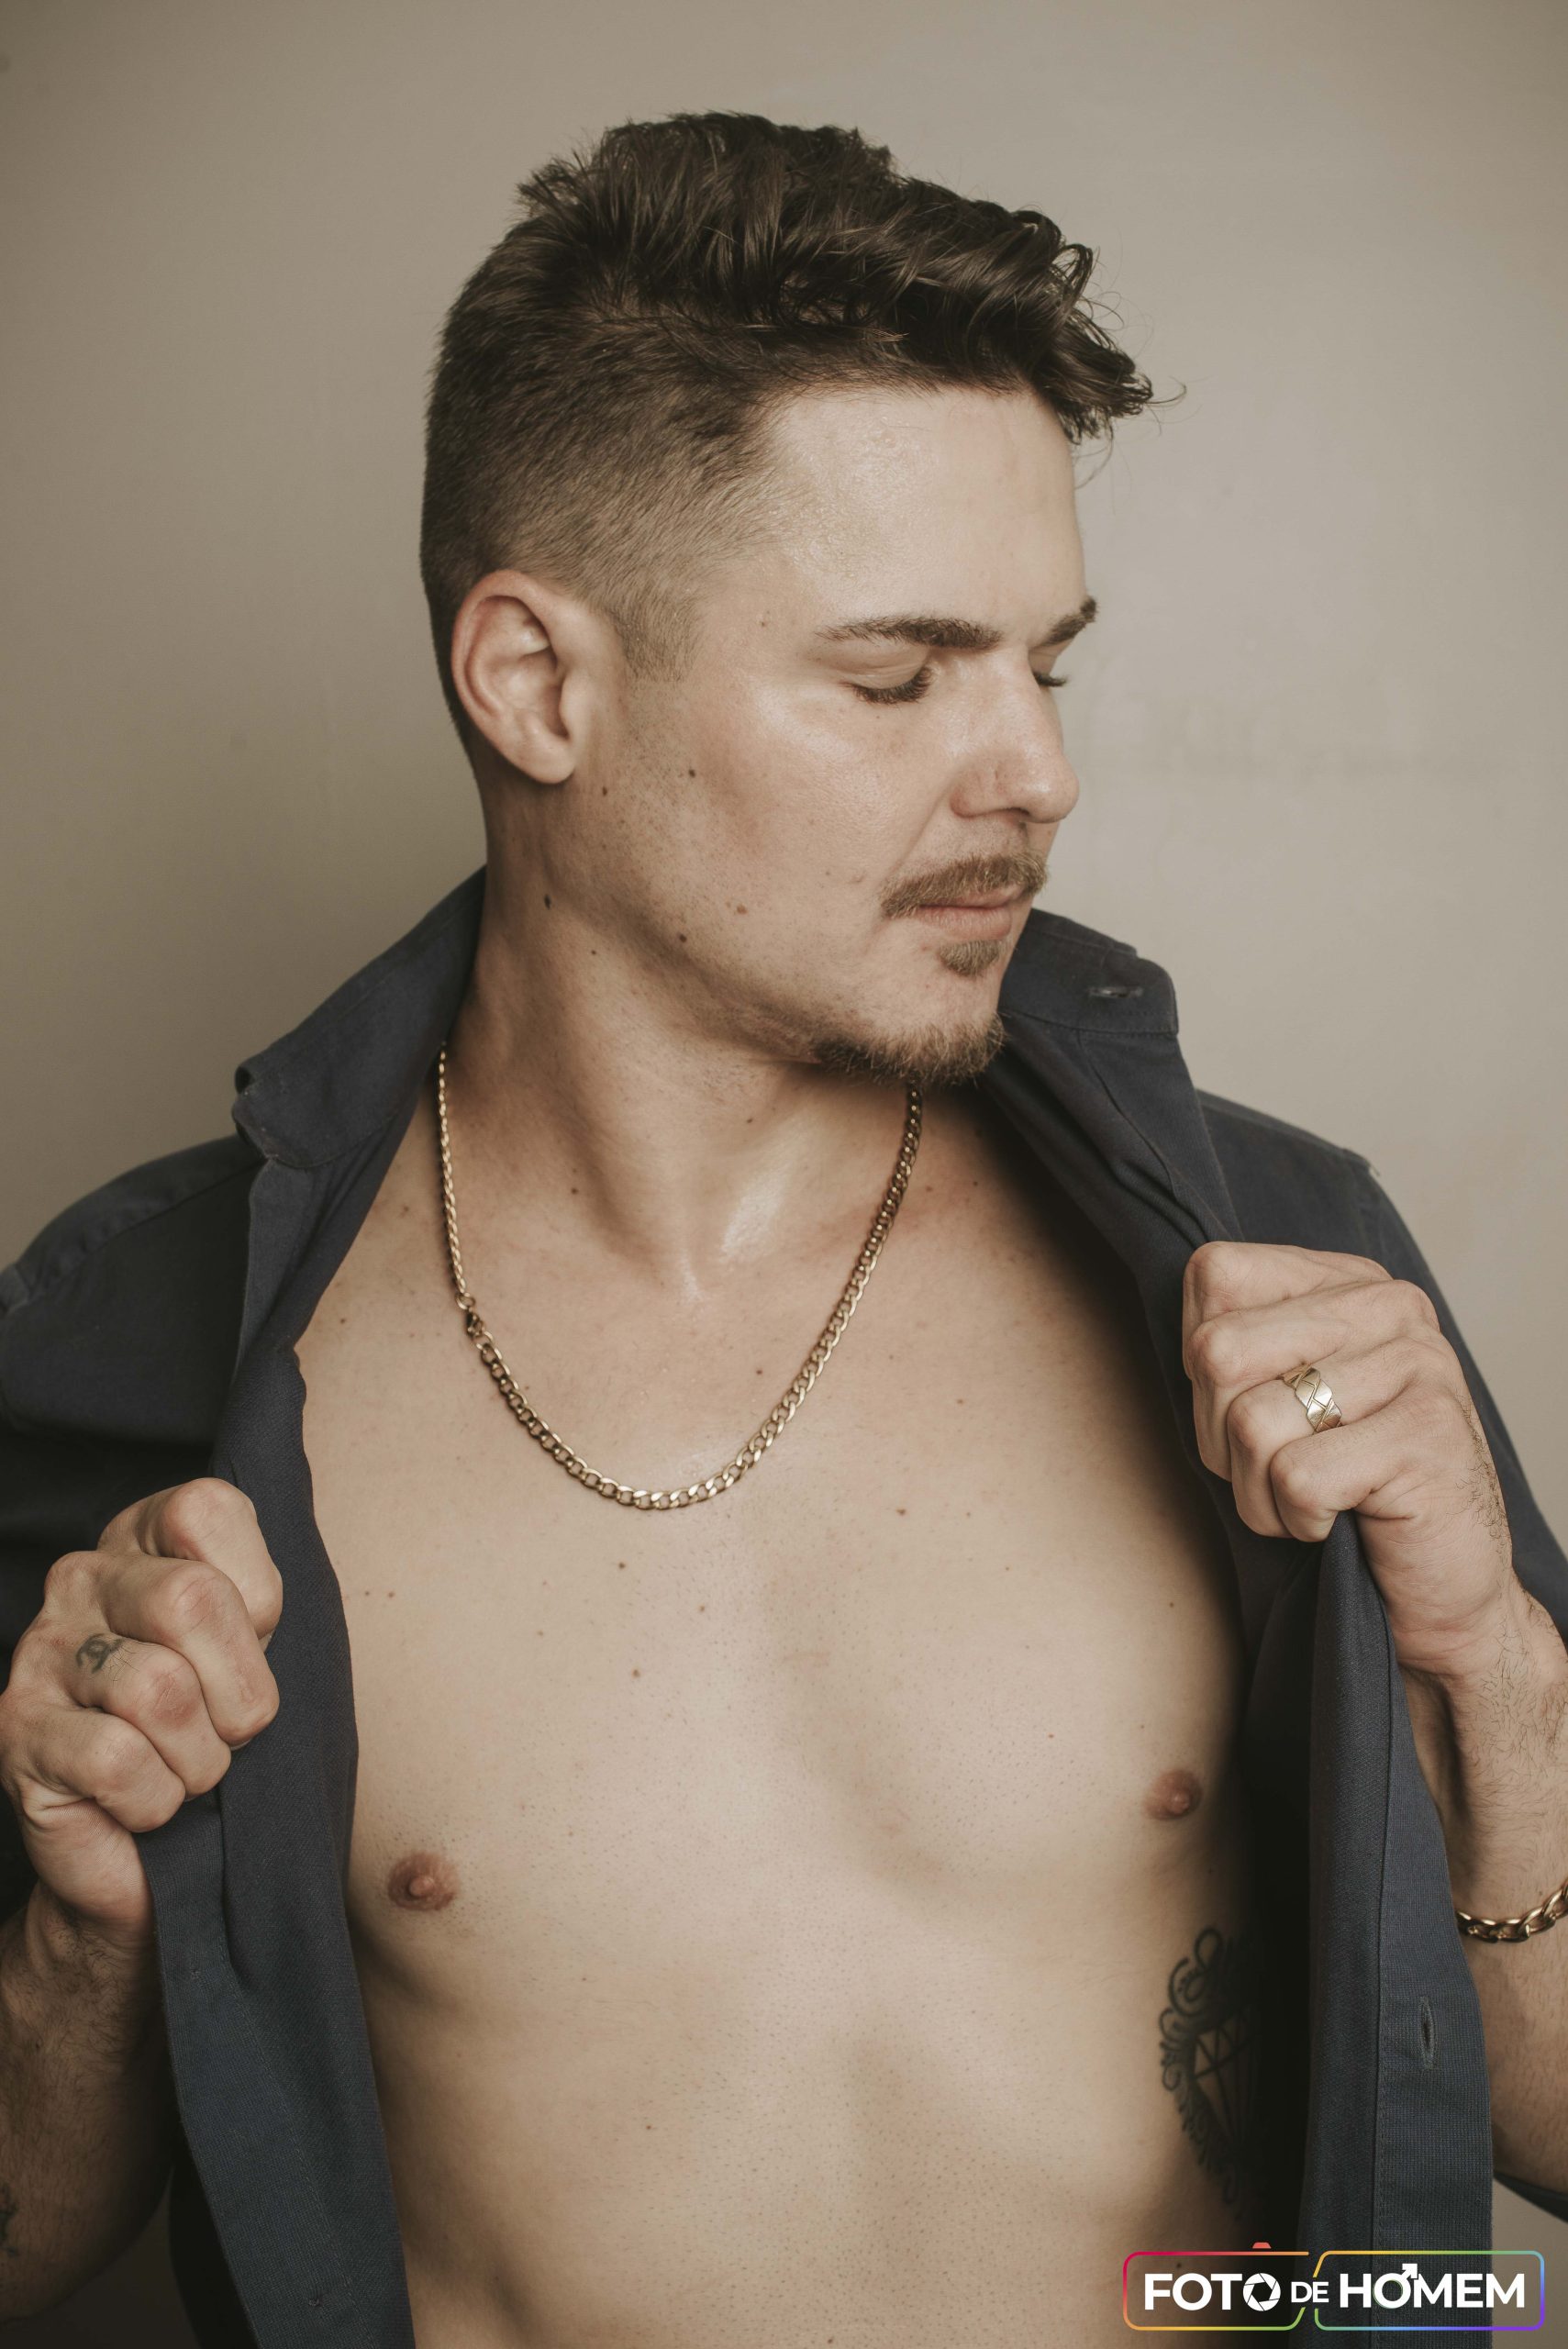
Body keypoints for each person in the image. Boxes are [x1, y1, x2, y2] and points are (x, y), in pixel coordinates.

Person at [1, 112, 1565, 2349]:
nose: (1034, 773)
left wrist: (1492, 1662)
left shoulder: (1280, 1260)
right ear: (537, 683)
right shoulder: (154, 1349)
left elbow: (1539, 2139)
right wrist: (82, 1929)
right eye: (899, 674)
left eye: (1047, 662)